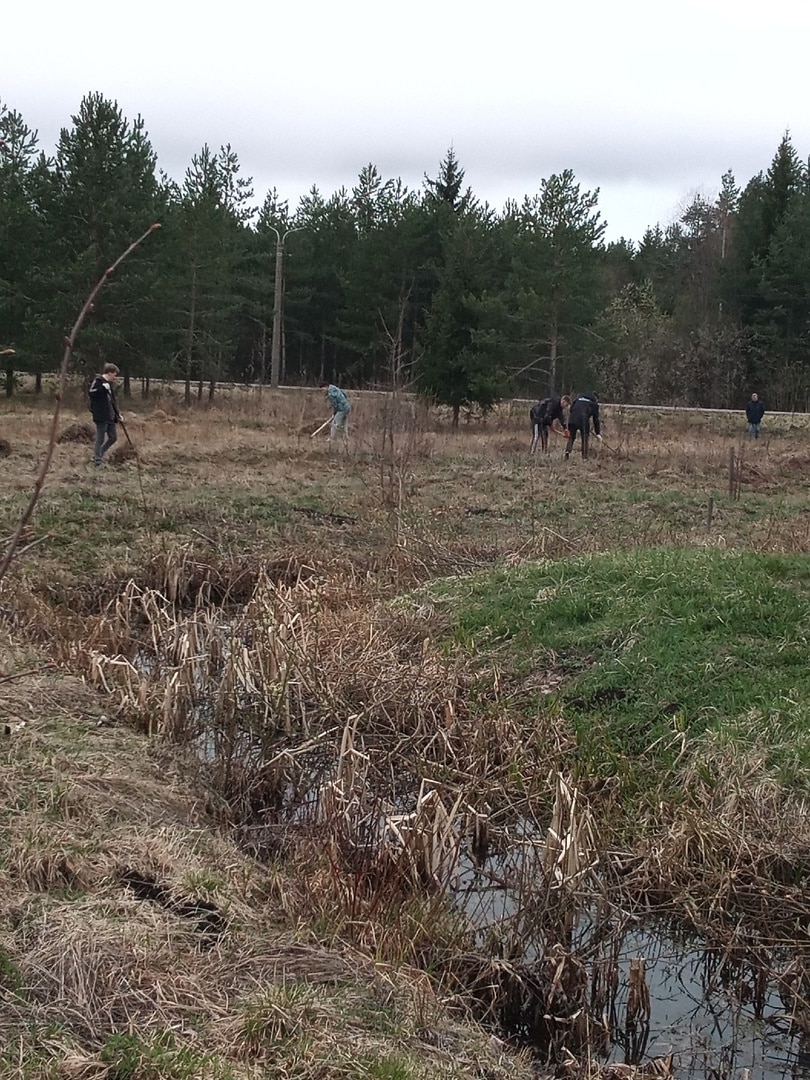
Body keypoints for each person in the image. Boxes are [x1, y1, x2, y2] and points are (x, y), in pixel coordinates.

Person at [88, 363, 122, 466]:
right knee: (100, 437)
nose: (115, 377)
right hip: (101, 415)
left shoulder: (109, 384)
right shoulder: (98, 381)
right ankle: (97, 460)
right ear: (109, 373)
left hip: (110, 415)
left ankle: (98, 454)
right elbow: (91, 393)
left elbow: (112, 401)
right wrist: (102, 388)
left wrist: (117, 414)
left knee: (113, 437)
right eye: (114, 375)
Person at [564, 392, 601, 460]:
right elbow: (596, 419)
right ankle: (584, 457)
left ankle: (567, 452)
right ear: (595, 398)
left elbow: (571, 409)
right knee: (585, 438)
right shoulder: (594, 404)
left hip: (572, 419)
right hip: (584, 420)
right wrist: (598, 433)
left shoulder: (577, 400)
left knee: (571, 437)